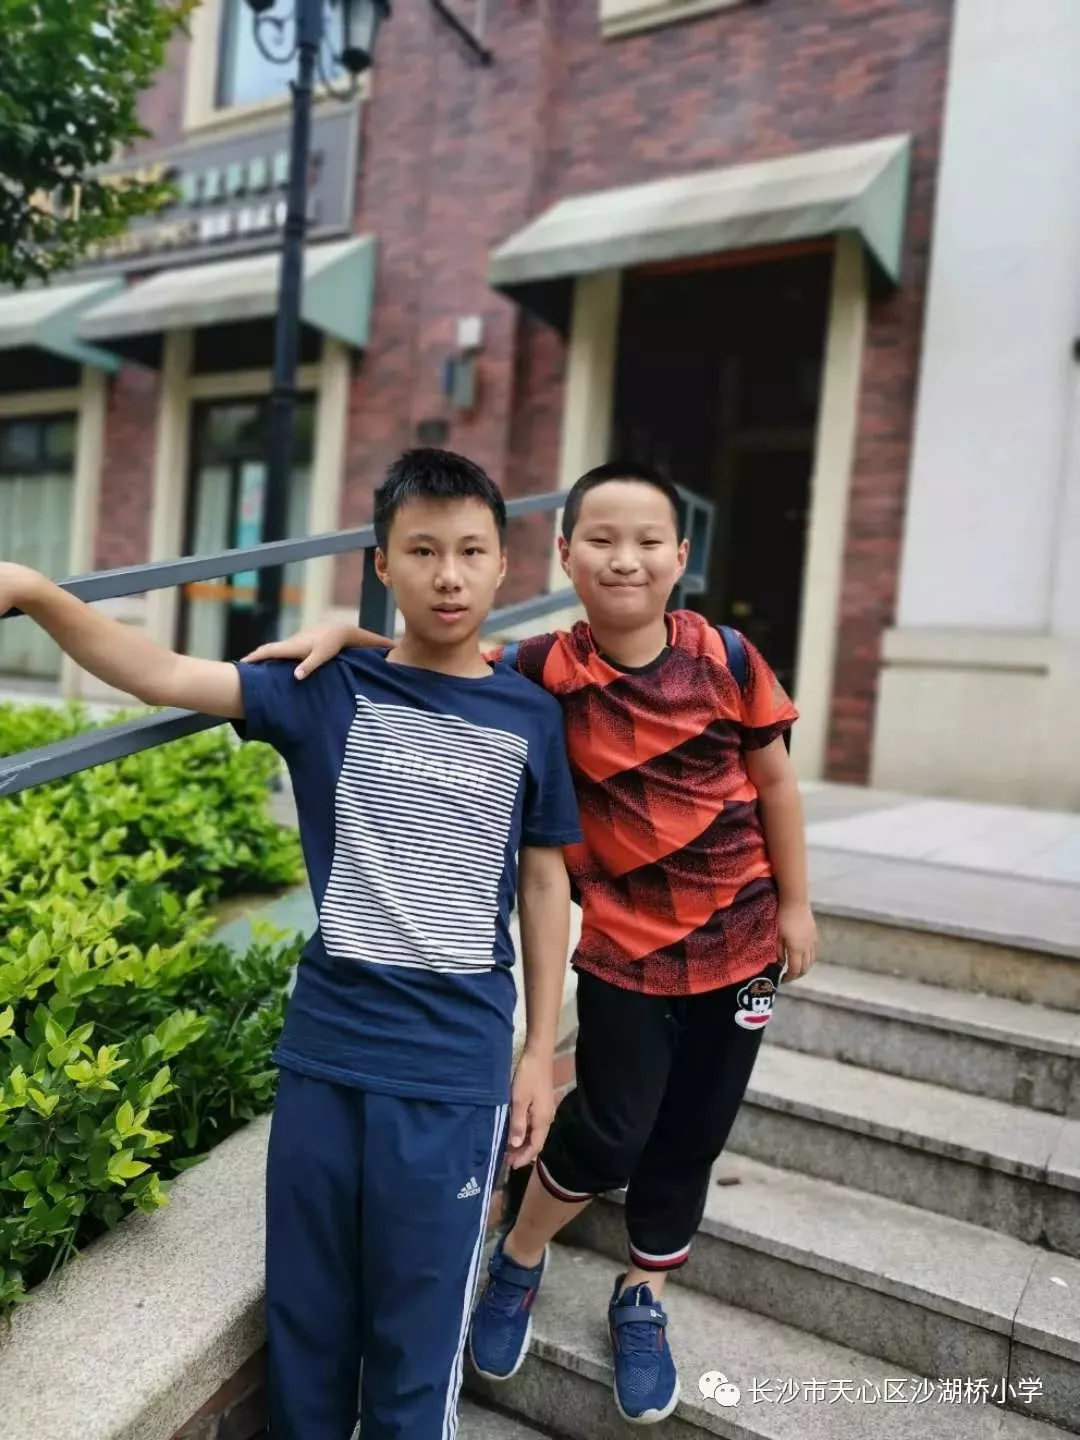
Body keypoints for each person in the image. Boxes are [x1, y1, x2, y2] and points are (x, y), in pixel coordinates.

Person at [0, 448, 583, 1440]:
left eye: (470, 551)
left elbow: (543, 879)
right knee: (307, 1326)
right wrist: (32, 590)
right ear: (381, 565)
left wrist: (536, 1053)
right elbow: (161, 672)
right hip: (326, 1060)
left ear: (503, 565)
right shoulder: (325, 687)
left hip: (454, 1076)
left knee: (415, 1343)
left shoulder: (531, 712)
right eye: (422, 551)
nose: (448, 575)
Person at [242, 459, 818, 1427]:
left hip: (741, 944)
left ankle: (644, 1294)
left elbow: (776, 784)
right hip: (626, 951)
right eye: (602, 540)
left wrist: (796, 906)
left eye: (648, 542)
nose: (625, 560)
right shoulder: (543, 667)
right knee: (614, 1126)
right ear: (562, 555)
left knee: (694, 1133)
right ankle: (518, 1255)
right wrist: (347, 636)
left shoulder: (726, 657)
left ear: (682, 555)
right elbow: (440, 649)